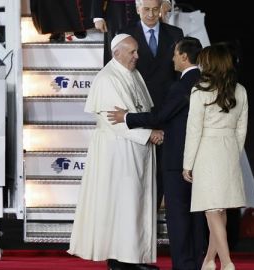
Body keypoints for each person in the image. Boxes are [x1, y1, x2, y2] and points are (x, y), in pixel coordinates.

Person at [107, 37, 207, 270]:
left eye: (175, 54)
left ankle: (184, 265)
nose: (172, 58)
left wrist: (128, 117)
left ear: (184, 57)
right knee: (196, 215)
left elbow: (161, 116)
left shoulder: (183, 85)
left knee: (178, 215)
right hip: (198, 157)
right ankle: (195, 263)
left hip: (177, 160)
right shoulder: (202, 80)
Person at [67, 33, 163, 270]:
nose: (137, 56)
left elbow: (142, 109)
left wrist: (151, 129)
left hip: (136, 151)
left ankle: (134, 257)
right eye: (132, 52)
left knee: (136, 203)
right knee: (122, 204)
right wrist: (148, 134)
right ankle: (120, 260)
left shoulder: (133, 73)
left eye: (137, 51)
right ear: (116, 53)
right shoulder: (107, 79)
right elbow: (114, 121)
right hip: (118, 152)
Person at [182, 44, 249, 270]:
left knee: (212, 209)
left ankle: (228, 263)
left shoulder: (200, 90)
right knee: (218, 209)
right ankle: (209, 261)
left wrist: (187, 163)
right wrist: (233, 152)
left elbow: (194, 130)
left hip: (207, 150)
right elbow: (242, 129)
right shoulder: (239, 90)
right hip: (229, 149)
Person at [121, 0, 184, 211]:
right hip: (137, 112)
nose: (150, 14)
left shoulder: (175, 33)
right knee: (135, 171)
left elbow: (180, 76)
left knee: (164, 170)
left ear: (162, 9)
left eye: (155, 9)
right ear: (138, 9)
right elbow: (116, 72)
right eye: (146, 9)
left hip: (168, 112)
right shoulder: (125, 34)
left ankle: (156, 215)